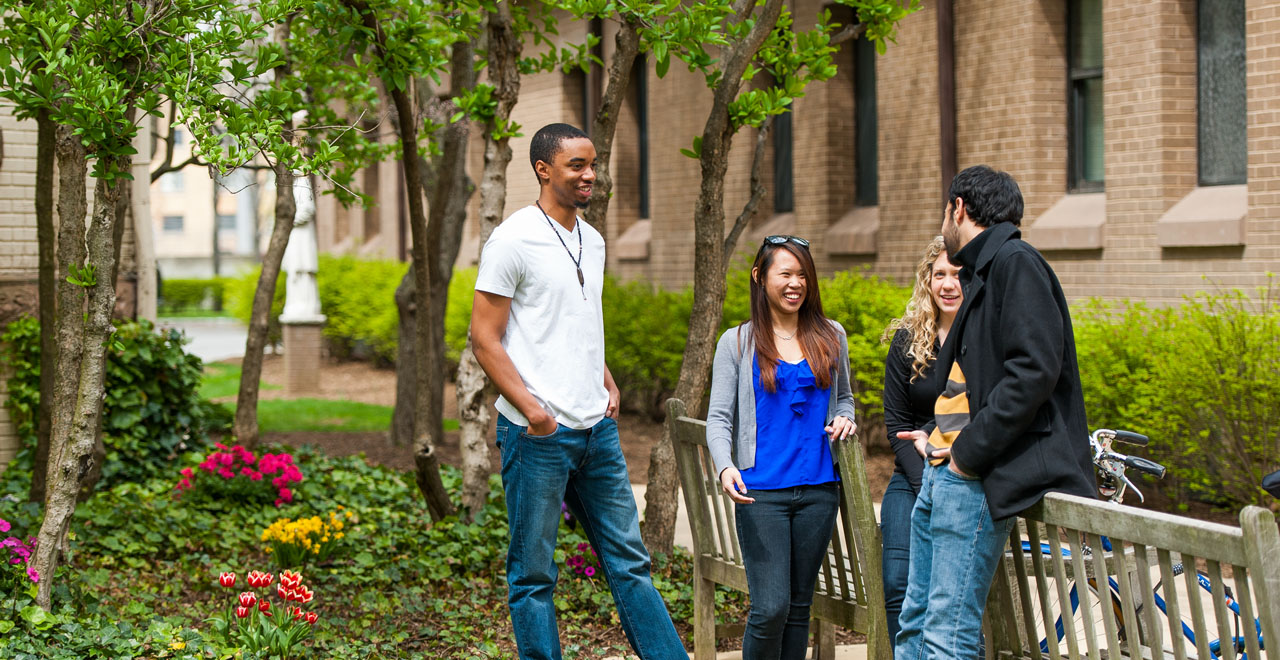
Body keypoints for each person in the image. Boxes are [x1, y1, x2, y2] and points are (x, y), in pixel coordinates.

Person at [470, 123, 686, 660]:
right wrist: (534, 412)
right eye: (577, 166)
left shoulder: (593, 240)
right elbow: (483, 337)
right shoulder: (513, 239)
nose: (591, 175)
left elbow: (572, 321)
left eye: (593, 164)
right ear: (544, 169)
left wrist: (604, 376)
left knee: (631, 565)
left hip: (597, 434)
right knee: (534, 575)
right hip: (538, 436)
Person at [893, 165, 1096, 660]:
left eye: (946, 211)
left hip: (971, 476)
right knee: (914, 625)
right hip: (943, 471)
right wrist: (939, 439)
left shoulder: (1015, 263)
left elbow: (1033, 372)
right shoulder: (986, 268)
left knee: (947, 634)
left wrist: (967, 454)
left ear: (958, 208)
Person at [706, 235, 859, 660]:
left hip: (818, 488)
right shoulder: (736, 343)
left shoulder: (832, 336)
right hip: (760, 492)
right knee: (770, 607)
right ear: (760, 277)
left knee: (798, 608)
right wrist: (724, 467)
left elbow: (844, 397)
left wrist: (845, 417)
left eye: (802, 274)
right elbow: (719, 418)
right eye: (785, 274)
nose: (796, 283)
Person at [878, 236, 960, 654]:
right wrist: (923, 478)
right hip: (912, 477)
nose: (948, 284)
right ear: (926, 279)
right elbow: (896, 425)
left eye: (958, 275)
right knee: (896, 583)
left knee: (949, 595)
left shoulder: (980, 340)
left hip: (965, 479)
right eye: (939, 273)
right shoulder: (908, 341)